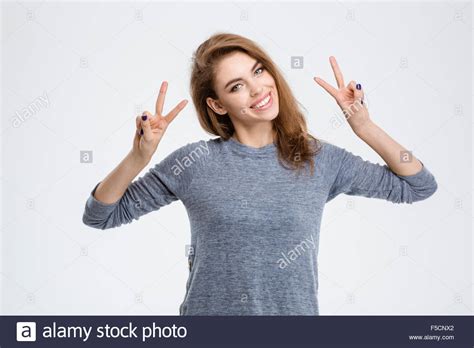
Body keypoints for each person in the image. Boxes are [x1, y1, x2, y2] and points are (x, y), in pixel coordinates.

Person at [82, 33, 438, 315]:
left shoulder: (318, 159)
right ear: (218, 105)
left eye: (258, 71)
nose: (258, 89)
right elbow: (100, 215)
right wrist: (138, 156)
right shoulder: (195, 163)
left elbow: (418, 185)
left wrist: (364, 126)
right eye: (236, 86)